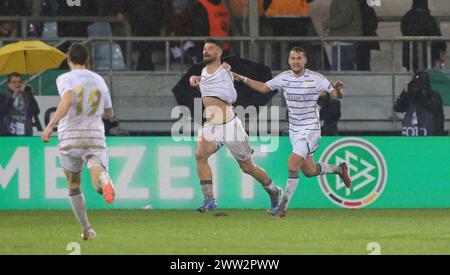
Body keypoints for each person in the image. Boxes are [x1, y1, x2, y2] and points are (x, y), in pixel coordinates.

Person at [231, 47, 352, 218]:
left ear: (305, 61)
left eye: (299, 58)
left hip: (311, 129)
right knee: (309, 171)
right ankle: (339, 169)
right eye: (293, 58)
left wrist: (338, 90)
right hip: (294, 130)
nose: (296, 61)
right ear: (289, 61)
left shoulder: (316, 78)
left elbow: (337, 95)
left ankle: (283, 207)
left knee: (292, 163)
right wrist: (241, 78)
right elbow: (264, 88)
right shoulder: (284, 77)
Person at [189, 39, 282, 213]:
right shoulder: (204, 71)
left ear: (219, 52)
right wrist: (194, 78)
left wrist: (226, 69)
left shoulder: (225, 70)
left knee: (248, 167)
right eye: (204, 49)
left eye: (210, 49)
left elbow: (231, 93)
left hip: (230, 126)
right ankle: (209, 199)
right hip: (211, 126)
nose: (205, 51)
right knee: (200, 155)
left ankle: (274, 191)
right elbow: (207, 81)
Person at [41, 44, 116, 241]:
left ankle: (86, 228)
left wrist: (50, 125)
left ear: (68, 59)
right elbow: (110, 113)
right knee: (97, 177)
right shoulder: (99, 80)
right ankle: (105, 181)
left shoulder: (65, 78)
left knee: (73, 183)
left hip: (70, 136)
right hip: (94, 134)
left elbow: (67, 99)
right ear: (88, 60)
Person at [394, 71, 445, 136]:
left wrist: (423, 92)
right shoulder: (411, 95)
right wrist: (405, 92)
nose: (416, 86)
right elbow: (397, 107)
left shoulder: (434, 96)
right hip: (411, 133)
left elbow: (431, 106)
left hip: (429, 135)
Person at [401, 0, 447, 72]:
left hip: (410, 54)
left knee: (415, 77)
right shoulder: (428, 18)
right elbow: (436, 34)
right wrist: (443, 47)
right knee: (426, 77)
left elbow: (403, 30)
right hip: (427, 55)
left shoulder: (407, 17)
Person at [324, 0, 363, 71]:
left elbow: (343, 19)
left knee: (339, 70)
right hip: (346, 38)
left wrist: (327, 23)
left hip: (343, 39)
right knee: (346, 69)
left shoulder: (343, 1)